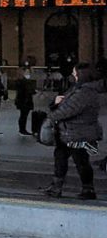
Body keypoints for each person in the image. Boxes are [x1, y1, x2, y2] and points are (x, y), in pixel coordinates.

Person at [45, 63, 99, 199]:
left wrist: (51, 116)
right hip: (69, 132)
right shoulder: (79, 89)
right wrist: (55, 102)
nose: (73, 76)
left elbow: (68, 109)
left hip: (76, 133)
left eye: (75, 73)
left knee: (80, 160)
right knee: (62, 157)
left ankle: (87, 189)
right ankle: (57, 187)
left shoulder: (84, 92)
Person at [13, 67, 37, 135]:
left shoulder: (20, 81)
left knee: (23, 115)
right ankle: (22, 129)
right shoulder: (24, 82)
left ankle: (22, 129)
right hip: (25, 101)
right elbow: (27, 91)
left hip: (23, 100)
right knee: (24, 115)